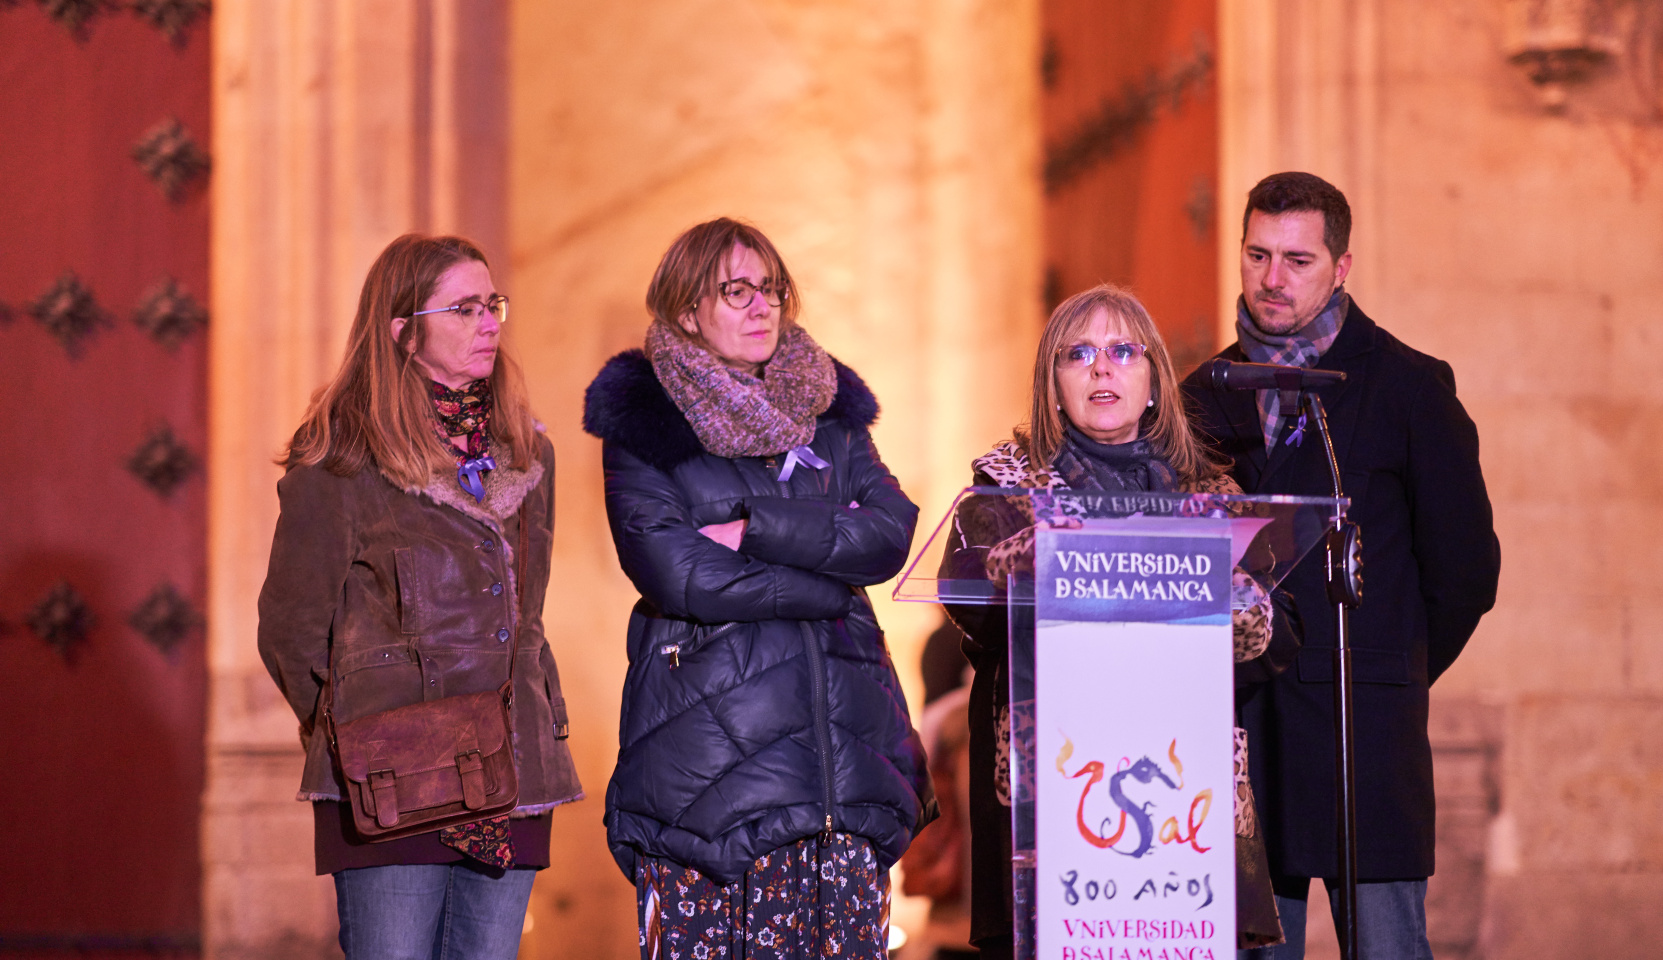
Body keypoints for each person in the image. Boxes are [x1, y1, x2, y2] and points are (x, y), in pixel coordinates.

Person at [581, 217, 936, 960]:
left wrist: (757, 528)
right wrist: (826, 583)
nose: (761, 306)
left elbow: (889, 530)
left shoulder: (831, 414)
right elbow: (676, 571)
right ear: (686, 310)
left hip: (841, 763)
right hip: (709, 774)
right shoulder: (645, 423)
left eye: (771, 288)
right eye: (735, 290)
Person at [1181, 172, 1501, 960]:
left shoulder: (1409, 388)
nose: (1272, 279)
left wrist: (1394, 666)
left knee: (1389, 948)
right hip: (1244, 729)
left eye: (1297, 259)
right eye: (1257, 255)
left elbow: (1464, 571)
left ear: (1342, 266)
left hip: (1368, 729)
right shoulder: (1196, 398)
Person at [941, 284, 1300, 958]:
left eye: (1121, 351)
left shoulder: (1213, 500)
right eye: (1077, 354)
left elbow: (1276, 639)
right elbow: (973, 605)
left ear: (1155, 381)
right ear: (1053, 386)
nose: (1101, 368)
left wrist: (1231, 589)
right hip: (1052, 808)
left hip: (1182, 810)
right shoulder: (1000, 494)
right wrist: (1054, 550)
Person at [258, 234, 583, 960]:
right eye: (464, 308)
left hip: (514, 766)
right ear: (403, 331)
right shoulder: (342, 453)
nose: (491, 321)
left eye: (492, 303)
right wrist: (361, 734)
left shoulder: (528, 455)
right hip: (394, 778)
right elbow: (291, 629)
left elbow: (526, 616)